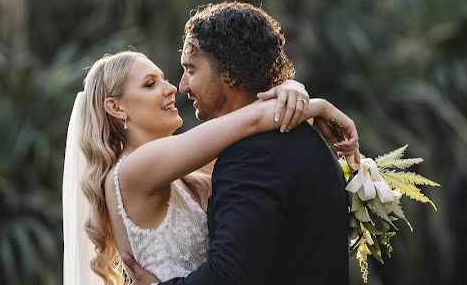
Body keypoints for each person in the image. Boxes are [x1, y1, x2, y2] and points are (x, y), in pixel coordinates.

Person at [62, 37, 358, 282]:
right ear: (115, 107)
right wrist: (319, 105)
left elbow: (256, 134)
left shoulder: (176, 169)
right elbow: (252, 121)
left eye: (163, 79)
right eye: (150, 84)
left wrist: (293, 90)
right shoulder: (133, 169)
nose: (172, 89)